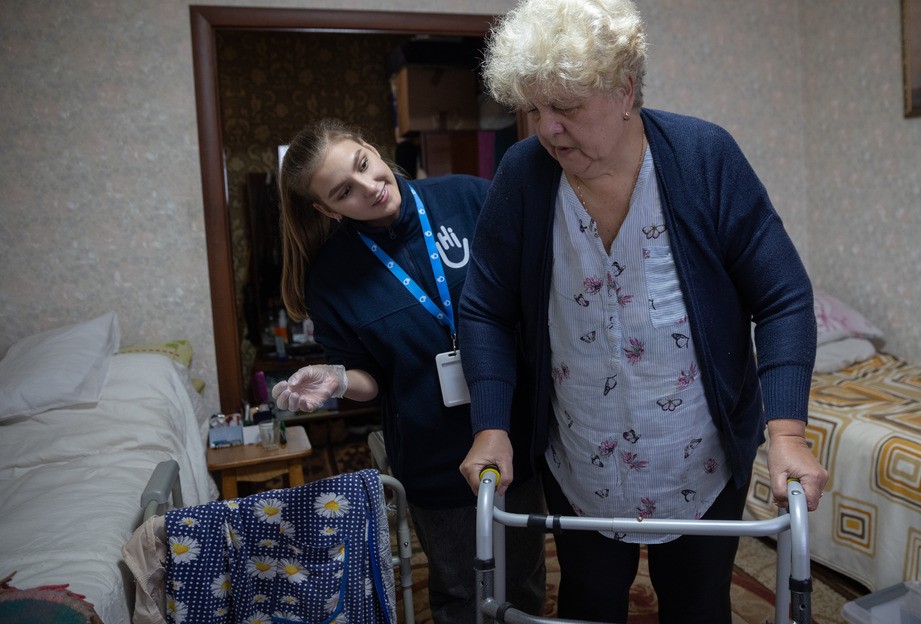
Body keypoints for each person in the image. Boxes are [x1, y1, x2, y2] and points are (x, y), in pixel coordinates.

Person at [456, 1, 829, 622]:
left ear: (625, 89)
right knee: (590, 599)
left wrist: (786, 431)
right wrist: (492, 421)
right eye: (536, 108)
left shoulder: (704, 157)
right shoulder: (523, 177)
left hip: (700, 458)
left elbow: (784, 296)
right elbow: (485, 308)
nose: (548, 129)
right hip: (581, 457)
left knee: (698, 602)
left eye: (567, 107)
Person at [272, 118, 545, 623]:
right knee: (462, 593)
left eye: (364, 165)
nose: (370, 187)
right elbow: (368, 377)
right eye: (344, 192)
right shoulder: (331, 278)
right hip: (431, 457)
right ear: (325, 209)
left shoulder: (469, 198)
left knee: (523, 585)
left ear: (372, 149)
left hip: (512, 432)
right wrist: (335, 378)